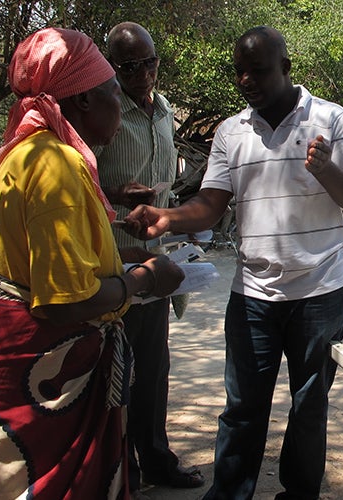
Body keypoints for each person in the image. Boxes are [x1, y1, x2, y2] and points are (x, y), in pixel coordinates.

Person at [0, 27, 184, 499]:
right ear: (82, 100)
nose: (119, 103)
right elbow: (66, 302)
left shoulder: (31, 154)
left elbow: (38, 259)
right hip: (16, 383)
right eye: (111, 89)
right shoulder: (55, 167)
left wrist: (122, 256)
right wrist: (145, 278)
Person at [124, 25, 343, 500]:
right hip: (254, 294)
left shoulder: (332, 119)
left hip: (322, 290)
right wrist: (167, 219)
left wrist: (326, 169)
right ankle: (230, 493)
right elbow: (211, 204)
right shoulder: (230, 131)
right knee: (242, 408)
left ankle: (300, 493)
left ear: (286, 68)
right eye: (239, 72)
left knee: (308, 405)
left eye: (257, 70)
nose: (246, 80)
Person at [96, 21, 204, 495]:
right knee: (114, 377)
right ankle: (124, 471)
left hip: (154, 265)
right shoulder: (103, 110)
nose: (142, 73)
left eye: (149, 62)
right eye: (129, 65)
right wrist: (115, 193)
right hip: (110, 266)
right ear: (113, 67)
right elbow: (76, 183)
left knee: (153, 373)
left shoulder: (163, 110)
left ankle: (157, 460)